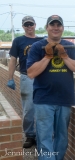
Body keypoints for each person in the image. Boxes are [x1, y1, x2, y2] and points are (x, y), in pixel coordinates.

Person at [26, 15, 75, 160]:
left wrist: (64, 55)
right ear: (47, 27)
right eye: (52, 25)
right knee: (45, 138)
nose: (56, 27)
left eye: (59, 25)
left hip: (65, 99)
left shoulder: (69, 46)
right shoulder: (37, 47)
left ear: (63, 28)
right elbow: (31, 73)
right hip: (44, 99)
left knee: (62, 139)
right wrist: (47, 56)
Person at [7, 15, 39, 148]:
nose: (29, 27)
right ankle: (30, 135)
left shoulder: (42, 40)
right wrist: (10, 78)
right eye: (26, 25)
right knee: (28, 109)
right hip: (27, 78)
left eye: (31, 24)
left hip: (42, 78)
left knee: (44, 107)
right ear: (23, 27)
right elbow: (13, 60)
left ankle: (43, 135)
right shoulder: (18, 41)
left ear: (35, 25)